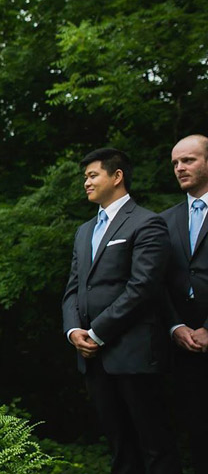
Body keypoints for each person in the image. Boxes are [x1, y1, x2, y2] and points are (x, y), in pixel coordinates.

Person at [61, 148, 180, 473]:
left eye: (92, 175)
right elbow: (74, 288)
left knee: (155, 445)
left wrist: (98, 332)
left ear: (117, 176)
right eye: (85, 177)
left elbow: (142, 287)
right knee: (119, 448)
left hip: (134, 353)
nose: (86, 182)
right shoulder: (84, 231)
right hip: (93, 359)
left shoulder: (147, 223)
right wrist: (74, 332)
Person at [162, 134, 208, 473]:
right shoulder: (164, 220)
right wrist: (175, 325)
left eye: (188, 160)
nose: (180, 168)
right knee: (195, 432)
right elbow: (156, 282)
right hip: (183, 347)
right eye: (176, 162)